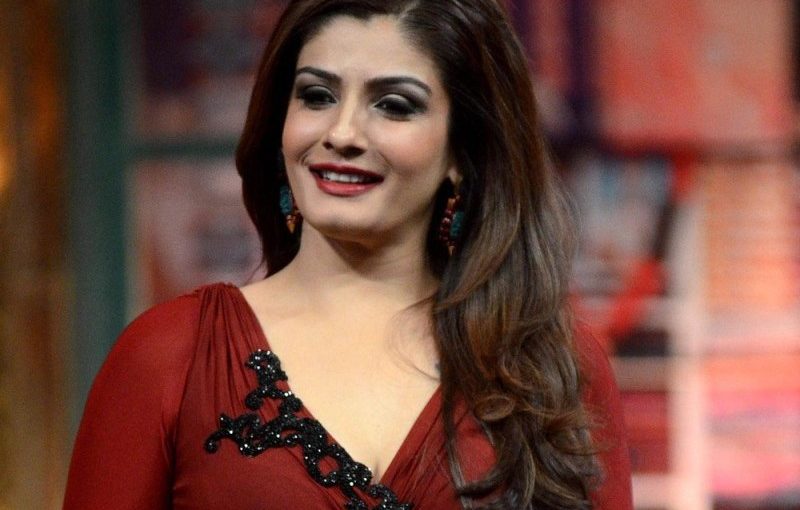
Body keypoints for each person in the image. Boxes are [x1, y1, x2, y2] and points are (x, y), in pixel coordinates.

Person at [63, 0, 632, 508]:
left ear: (462, 151)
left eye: (393, 105)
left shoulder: (556, 371)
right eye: (317, 96)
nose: (342, 133)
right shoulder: (168, 357)